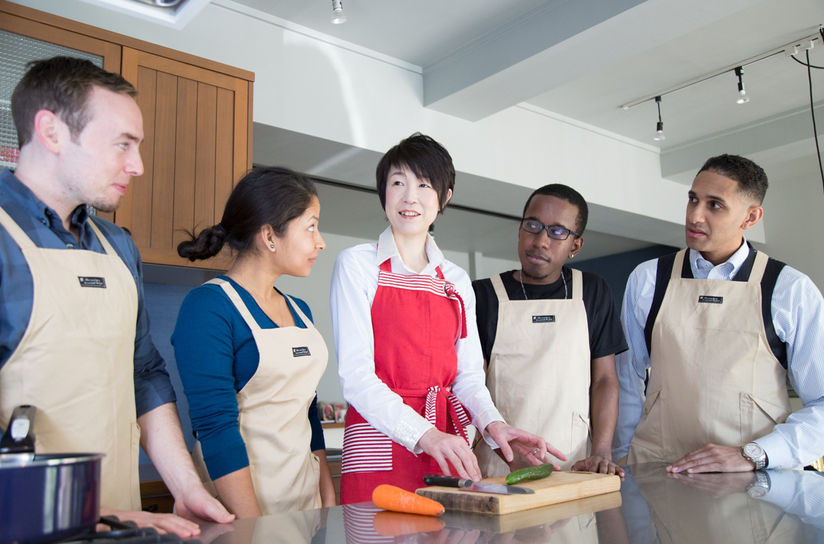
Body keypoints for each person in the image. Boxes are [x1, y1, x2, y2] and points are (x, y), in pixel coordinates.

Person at [0, 56, 233, 535]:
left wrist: (186, 487)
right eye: (122, 145)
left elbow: (143, 373)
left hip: (123, 523)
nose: (138, 165)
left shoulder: (118, 245)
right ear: (52, 132)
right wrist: (81, 514)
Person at [329, 133, 565, 504]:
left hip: (446, 443)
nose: (410, 197)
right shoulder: (357, 265)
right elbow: (357, 379)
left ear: (445, 197)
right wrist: (423, 433)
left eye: (424, 185)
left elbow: (467, 377)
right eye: (397, 183)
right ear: (383, 193)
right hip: (380, 441)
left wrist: (492, 423)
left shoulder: (454, 281)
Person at [614, 154, 824, 472]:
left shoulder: (789, 289)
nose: (695, 215)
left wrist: (752, 454)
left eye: (714, 205)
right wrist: (621, 456)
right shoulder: (648, 279)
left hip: (755, 478)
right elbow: (626, 380)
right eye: (693, 199)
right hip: (659, 471)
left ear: (751, 217)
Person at [172, 167, 335, 517]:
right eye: (310, 227)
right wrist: (251, 528)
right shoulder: (208, 308)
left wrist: (327, 498)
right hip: (240, 514)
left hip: (307, 508)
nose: (320, 241)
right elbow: (215, 428)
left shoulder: (300, 310)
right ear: (269, 236)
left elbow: (309, 413)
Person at [473, 184, 627, 477]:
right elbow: (471, 386)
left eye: (557, 232)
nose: (541, 240)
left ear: (576, 246)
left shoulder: (593, 291)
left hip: (574, 463)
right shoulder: (482, 295)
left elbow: (605, 379)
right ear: (520, 229)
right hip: (499, 466)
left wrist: (603, 452)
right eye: (533, 225)